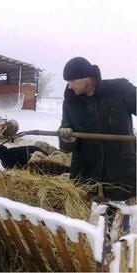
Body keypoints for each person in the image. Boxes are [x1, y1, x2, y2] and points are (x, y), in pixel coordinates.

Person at [58, 57, 136, 202]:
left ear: (87, 77)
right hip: (86, 176)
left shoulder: (119, 89)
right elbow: (66, 140)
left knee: (121, 219)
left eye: (72, 81)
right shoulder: (71, 102)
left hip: (121, 174)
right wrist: (66, 138)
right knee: (85, 222)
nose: (69, 86)